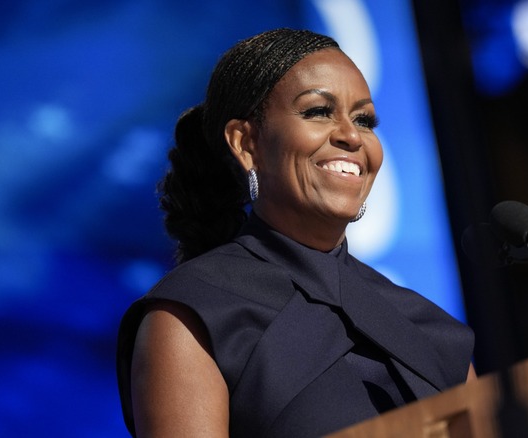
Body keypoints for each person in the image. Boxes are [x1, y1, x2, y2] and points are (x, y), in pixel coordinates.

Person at [116, 28, 475, 437]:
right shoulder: (192, 317)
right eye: (319, 112)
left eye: (364, 120)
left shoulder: (427, 326)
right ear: (246, 143)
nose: (352, 136)